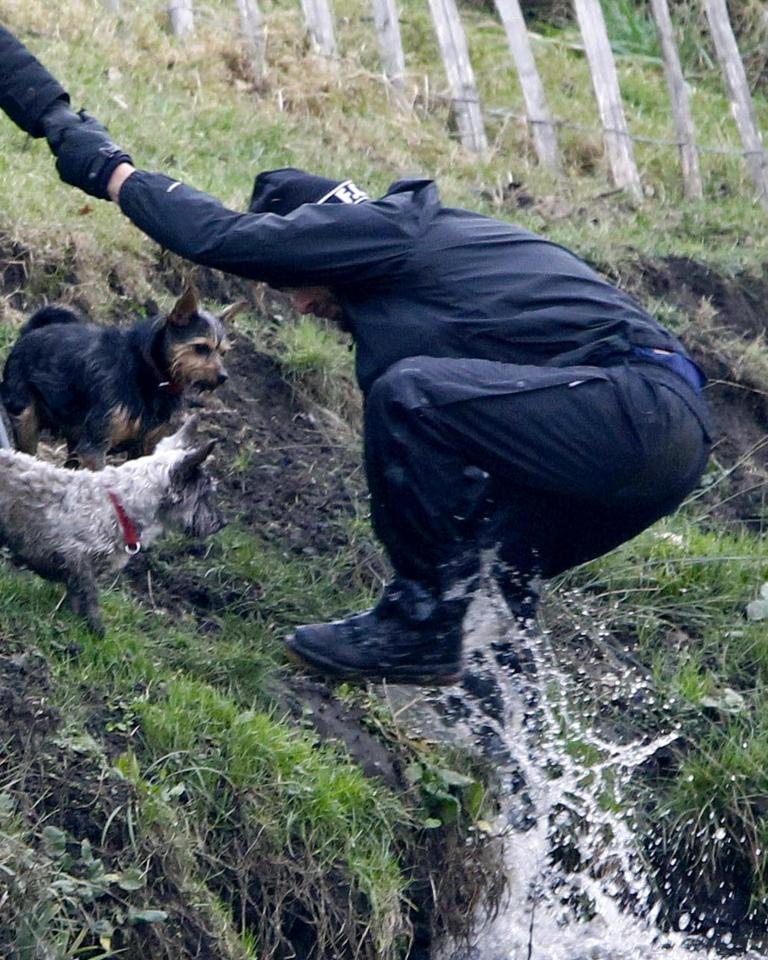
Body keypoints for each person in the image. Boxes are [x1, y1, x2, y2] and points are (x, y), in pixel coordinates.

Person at [0, 25, 712, 686]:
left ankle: (416, 629)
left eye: (293, 283)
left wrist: (109, 168)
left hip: (637, 406)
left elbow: (220, 238)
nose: (302, 306)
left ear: (319, 239)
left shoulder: (386, 229)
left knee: (410, 397)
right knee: (487, 587)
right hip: (648, 446)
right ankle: (510, 770)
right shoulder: (425, 284)